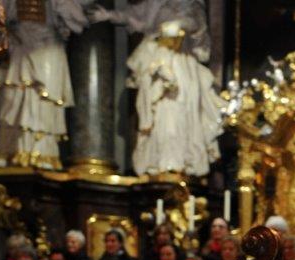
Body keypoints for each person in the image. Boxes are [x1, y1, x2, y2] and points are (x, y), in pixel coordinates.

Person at [88, 0, 222, 176]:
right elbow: (136, 15)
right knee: (157, 115)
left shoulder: (192, 4)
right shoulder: (158, 4)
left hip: (180, 65)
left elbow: (196, 23)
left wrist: (178, 24)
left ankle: (179, 162)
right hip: (156, 62)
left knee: (177, 111)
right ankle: (158, 162)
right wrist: (108, 15)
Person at [0, 0, 88, 169]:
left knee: (44, 100)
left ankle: (43, 153)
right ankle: (7, 150)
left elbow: (78, 22)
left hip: (47, 47)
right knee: (12, 98)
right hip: (19, 43)